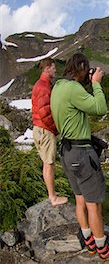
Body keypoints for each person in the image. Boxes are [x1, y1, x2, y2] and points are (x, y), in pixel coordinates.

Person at [50, 53, 109, 261]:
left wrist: (87, 84)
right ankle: (103, 249)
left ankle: (89, 241)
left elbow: (77, 102)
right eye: (86, 69)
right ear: (81, 67)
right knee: (94, 205)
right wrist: (97, 84)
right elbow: (100, 108)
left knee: (80, 199)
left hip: (66, 151)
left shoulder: (59, 87)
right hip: (82, 153)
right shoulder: (74, 89)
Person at [31, 57, 68, 207]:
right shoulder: (43, 87)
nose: (55, 70)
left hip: (40, 129)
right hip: (45, 130)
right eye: (53, 67)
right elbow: (45, 112)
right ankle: (53, 197)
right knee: (49, 163)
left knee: (47, 163)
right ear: (47, 68)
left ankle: (52, 194)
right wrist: (55, 128)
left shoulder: (42, 85)